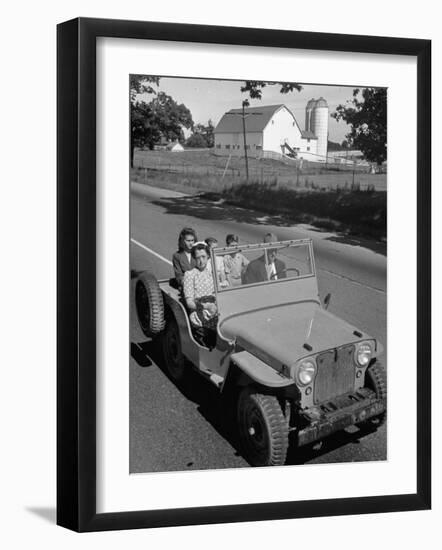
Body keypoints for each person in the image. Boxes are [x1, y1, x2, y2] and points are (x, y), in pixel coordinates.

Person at [183, 242, 218, 347]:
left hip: (215, 313)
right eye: (198, 257)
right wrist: (206, 306)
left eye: (203, 256)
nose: (201, 260)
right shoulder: (190, 275)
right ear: (194, 258)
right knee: (211, 342)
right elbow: (189, 303)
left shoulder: (212, 273)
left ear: (208, 256)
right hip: (199, 316)